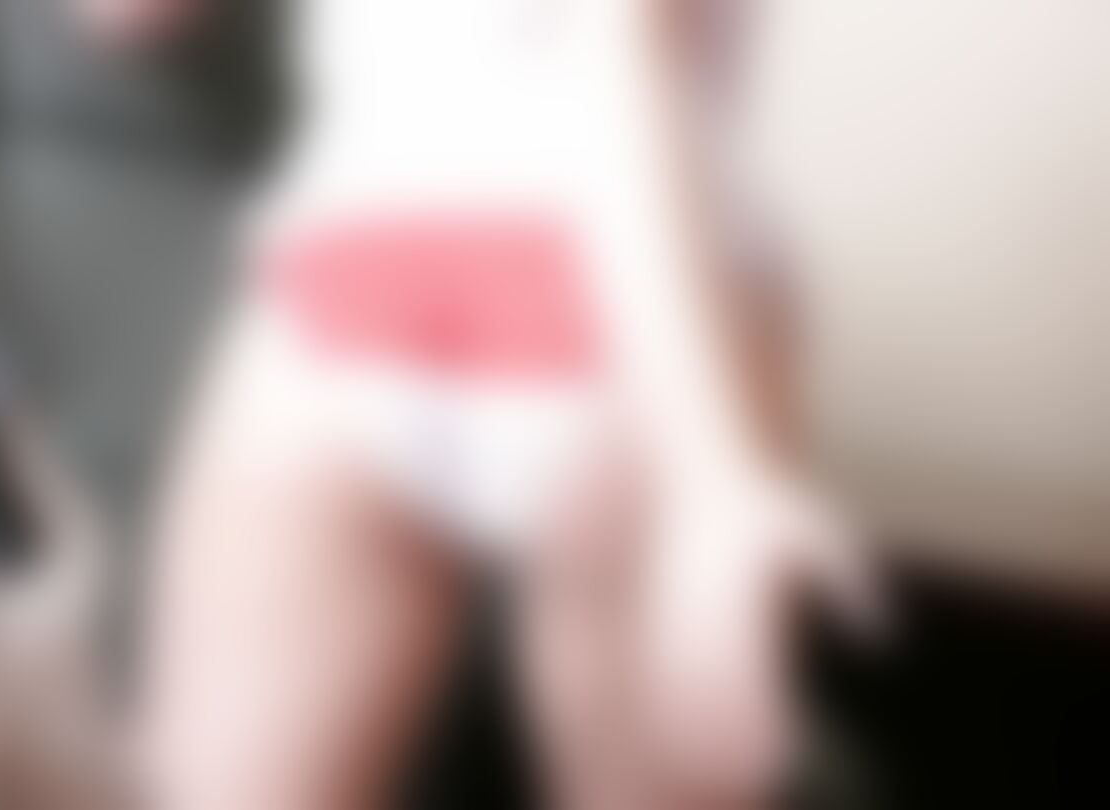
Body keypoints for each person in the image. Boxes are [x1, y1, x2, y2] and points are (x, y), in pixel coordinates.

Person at [133, 1, 874, 807]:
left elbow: (625, 60)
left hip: (550, 294)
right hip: (435, 290)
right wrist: (713, 477)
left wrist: (712, 477)